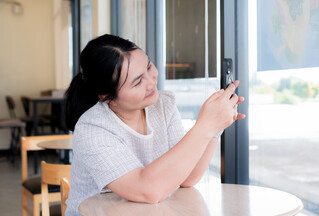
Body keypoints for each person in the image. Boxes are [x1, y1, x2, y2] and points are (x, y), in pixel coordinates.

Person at [64, 34, 245, 215]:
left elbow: (187, 178)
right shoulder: (92, 128)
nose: (151, 82)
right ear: (106, 96)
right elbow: (147, 190)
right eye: (137, 82)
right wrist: (205, 125)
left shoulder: (163, 105)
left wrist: (215, 128)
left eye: (149, 66)